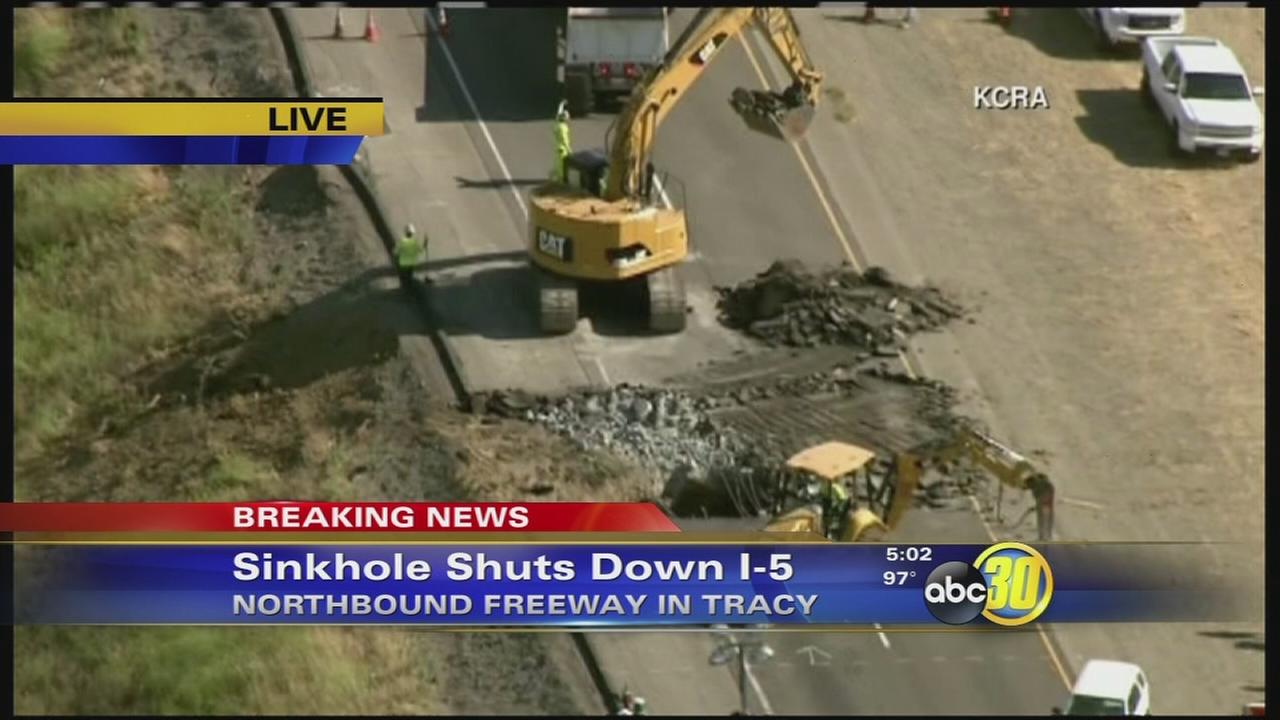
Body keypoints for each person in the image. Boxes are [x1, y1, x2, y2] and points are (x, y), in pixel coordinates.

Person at [552, 100, 572, 184]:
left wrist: (561, 104)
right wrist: (569, 149)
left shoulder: (557, 124)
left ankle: (556, 177)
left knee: (557, 165)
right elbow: (564, 140)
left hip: (557, 148)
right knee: (562, 166)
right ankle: (561, 180)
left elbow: (558, 114)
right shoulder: (563, 128)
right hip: (563, 149)